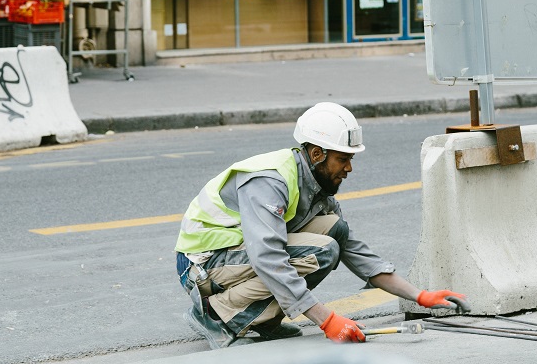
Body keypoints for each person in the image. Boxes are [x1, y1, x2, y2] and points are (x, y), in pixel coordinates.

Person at [174, 102, 469, 348]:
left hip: (234, 258)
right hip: (203, 265)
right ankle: (216, 316)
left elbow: (355, 251)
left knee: (334, 231)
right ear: (317, 154)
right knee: (322, 251)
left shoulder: (316, 185)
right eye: (343, 159)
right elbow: (268, 257)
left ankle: (262, 321)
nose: (349, 168)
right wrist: (326, 320)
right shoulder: (270, 181)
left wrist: (419, 295)